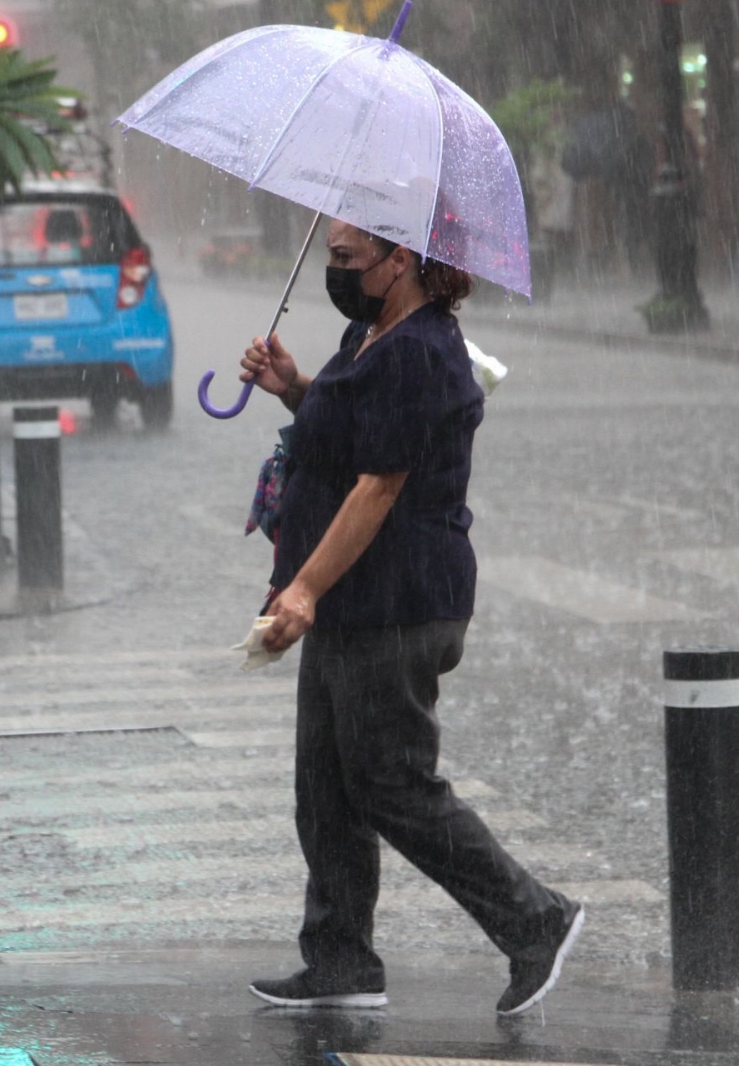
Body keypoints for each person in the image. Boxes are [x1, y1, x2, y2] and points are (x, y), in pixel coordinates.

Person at [237, 220, 584, 1016]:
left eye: (349, 259)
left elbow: (378, 485)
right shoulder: (368, 334)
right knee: (324, 785)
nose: (337, 270)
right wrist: (294, 387)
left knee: (392, 783)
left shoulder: (420, 352)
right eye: (329, 257)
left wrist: (305, 590)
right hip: (355, 600)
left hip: (398, 601)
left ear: (403, 263)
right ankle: (339, 959)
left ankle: (536, 920)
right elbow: (343, 438)